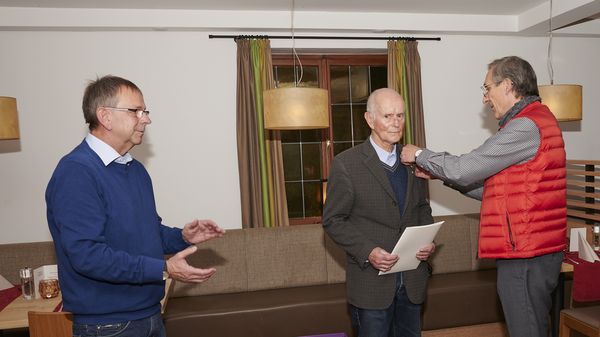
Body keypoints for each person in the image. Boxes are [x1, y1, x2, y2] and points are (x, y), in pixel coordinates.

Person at [45, 75, 225, 337]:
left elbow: (147, 232)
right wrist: (164, 269)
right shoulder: (76, 172)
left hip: (150, 314)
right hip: (107, 326)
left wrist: (182, 237)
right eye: (136, 111)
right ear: (105, 116)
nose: (146, 119)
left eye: (145, 111)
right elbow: (88, 256)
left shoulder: (136, 170)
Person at [400, 56, 566, 337]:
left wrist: (419, 154)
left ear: (508, 86)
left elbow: (465, 169)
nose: (485, 98)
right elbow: (492, 191)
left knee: (526, 329)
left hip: (526, 254)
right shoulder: (535, 121)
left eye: (487, 88)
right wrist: (440, 175)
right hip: (531, 251)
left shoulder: (526, 126)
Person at [323, 88, 436, 337]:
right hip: (370, 286)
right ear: (369, 119)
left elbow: (421, 208)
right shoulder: (346, 164)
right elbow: (333, 221)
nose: (396, 123)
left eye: (400, 115)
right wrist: (368, 251)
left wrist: (429, 241)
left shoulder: (413, 160)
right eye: (388, 116)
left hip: (412, 283)